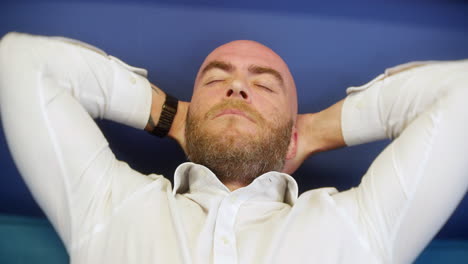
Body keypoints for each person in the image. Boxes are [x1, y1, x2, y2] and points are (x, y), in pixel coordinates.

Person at [0, 32, 466, 264]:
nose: (237, 89)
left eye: (264, 87)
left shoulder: (362, 227)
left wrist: (316, 130)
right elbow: (18, 60)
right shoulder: (109, 206)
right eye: (216, 79)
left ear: (292, 127)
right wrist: (170, 116)